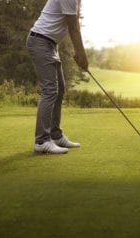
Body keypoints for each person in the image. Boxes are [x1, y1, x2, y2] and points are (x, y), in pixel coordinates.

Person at [27, 0, 88, 154]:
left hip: (50, 43)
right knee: (50, 90)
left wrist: (78, 51)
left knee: (59, 89)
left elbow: (72, 23)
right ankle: (41, 141)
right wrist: (81, 54)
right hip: (40, 41)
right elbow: (73, 27)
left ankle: (55, 136)